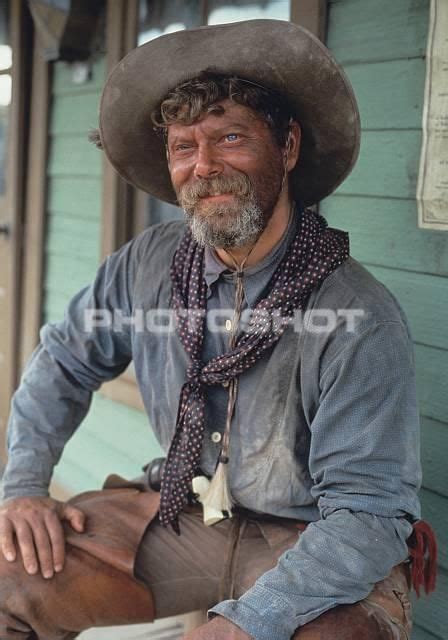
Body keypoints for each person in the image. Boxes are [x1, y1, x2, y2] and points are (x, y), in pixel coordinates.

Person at [0, 19, 436, 640]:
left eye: (230, 137)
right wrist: (23, 486)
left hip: (312, 537)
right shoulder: (145, 264)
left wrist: (246, 623)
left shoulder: (358, 314)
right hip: (181, 513)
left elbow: (367, 514)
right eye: (183, 146)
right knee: (10, 576)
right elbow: (64, 360)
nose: (203, 166)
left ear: (286, 147)